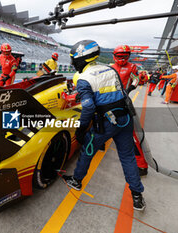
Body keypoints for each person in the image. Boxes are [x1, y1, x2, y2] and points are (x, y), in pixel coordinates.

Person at [63, 40, 146, 211]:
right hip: (125, 119)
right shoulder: (110, 69)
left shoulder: (84, 78)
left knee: (87, 149)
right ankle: (137, 196)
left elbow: (89, 107)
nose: (73, 63)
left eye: (74, 59)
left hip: (106, 123)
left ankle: (77, 181)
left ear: (82, 59)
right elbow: (122, 92)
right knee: (128, 157)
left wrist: (80, 130)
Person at [112, 45, 148, 176]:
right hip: (110, 102)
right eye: (119, 56)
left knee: (132, 135)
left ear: (128, 56)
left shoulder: (132, 67)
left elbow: (137, 79)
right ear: (114, 56)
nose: (122, 59)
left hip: (124, 102)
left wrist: (129, 89)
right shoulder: (111, 67)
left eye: (125, 56)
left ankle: (142, 165)